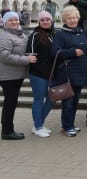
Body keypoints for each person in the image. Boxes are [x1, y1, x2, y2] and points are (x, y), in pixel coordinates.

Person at [51, 6, 87, 137]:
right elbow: (55, 52)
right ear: (64, 19)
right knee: (68, 102)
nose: (72, 20)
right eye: (69, 18)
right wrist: (72, 52)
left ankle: (70, 125)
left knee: (75, 101)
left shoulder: (81, 32)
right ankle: (66, 127)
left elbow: (86, 53)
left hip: (80, 72)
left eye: (74, 18)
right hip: (67, 73)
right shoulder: (60, 34)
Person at [0, 12, 37, 140]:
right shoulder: (5, 36)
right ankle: (7, 131)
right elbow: (5, 55)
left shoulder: (19, 33)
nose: (14, 22)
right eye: (11, 20)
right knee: (10, 103)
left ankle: (8, 129)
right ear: (5, 22)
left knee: (11, 102)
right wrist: (26, 60)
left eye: (16, 19)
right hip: (9, 75)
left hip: (16, 74)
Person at [26, 11, 55, 138]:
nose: (45, 22)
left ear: (51, 21)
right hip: (38, 74)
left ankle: (38, 123)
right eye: (42, 20)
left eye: (47, 19)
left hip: (51, 74)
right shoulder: (35, 35)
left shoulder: (53, 34)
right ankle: (38, 127)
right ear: (39, 21)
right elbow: (30, 55)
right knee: (39, 99)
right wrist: (41, 68)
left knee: (51, 99)